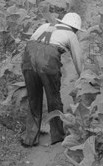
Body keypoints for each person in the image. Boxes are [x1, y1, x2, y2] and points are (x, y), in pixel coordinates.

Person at [21, 12, 84, 147]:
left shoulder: (45, 26)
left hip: (28, 55)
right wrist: (83, 77)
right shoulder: (71, 35)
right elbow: (78, 60)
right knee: (53, 97)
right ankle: (57, 135)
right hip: (47, 60)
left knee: (33, 98)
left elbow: (31, 43)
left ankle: (30, 138)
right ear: (75, 28)